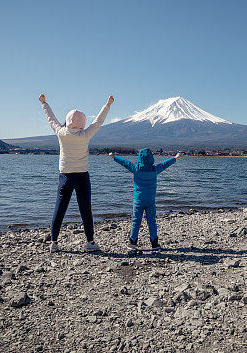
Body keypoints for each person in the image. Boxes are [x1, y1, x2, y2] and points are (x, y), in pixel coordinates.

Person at [40, 93, 113, 252]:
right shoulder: (86, 134)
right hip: (82, 177)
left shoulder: (61, 133)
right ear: (82, 123)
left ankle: (54, 242)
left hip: (65, 176)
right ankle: (90, 243)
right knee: (86, 210)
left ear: (68, 121)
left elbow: (51, 119)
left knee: (59, 209)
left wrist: (44, 103)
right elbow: (98, 121)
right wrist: (107, 105)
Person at [109, 148, 182, 252]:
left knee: (136, 221)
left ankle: (132, 242)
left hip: (138, 200)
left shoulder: (136, 168)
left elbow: (124, 162)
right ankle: (154, 243)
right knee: (151, 221)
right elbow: (165, 164)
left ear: (139, 158)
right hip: (150, 200)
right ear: (151, 158)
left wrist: (114, 157)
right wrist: (175, 158)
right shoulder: (155, 169)